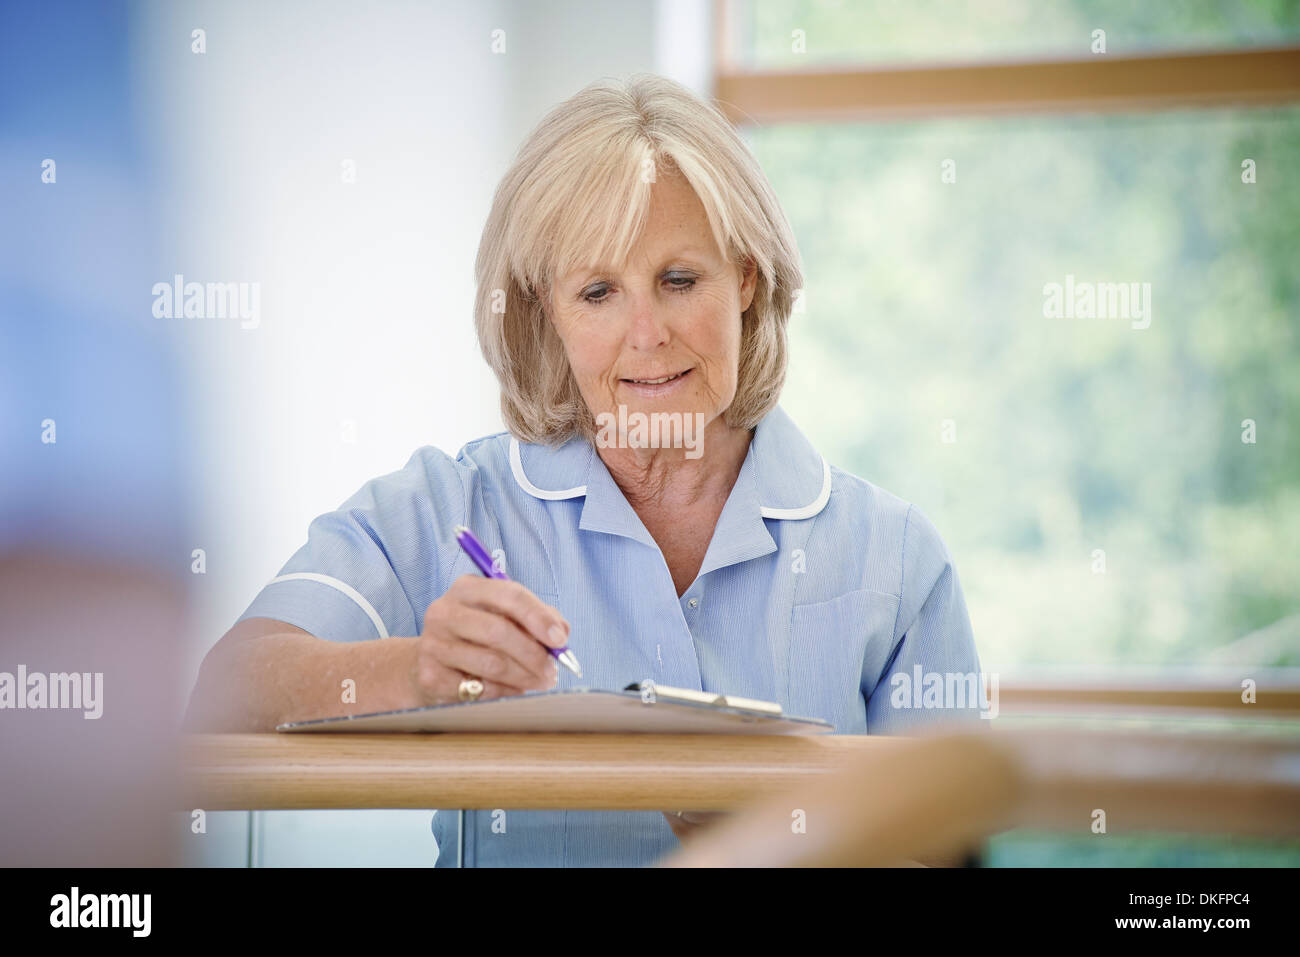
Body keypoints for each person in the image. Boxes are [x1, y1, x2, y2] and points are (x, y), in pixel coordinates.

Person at [184, 73, 984, 867]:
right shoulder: (450, 506)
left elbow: (953, 848)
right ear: (546, 312)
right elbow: (226, 695)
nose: (646, 334)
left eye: (679, 280)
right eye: (598, 291)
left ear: (744, 276)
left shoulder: (897, 556)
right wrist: (417, 672)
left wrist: (781, 841)